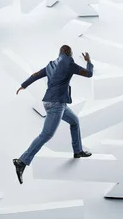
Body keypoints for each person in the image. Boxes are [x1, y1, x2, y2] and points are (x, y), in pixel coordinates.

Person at [12, 45, 93, 184]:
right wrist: (88, 61)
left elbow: (36, 75)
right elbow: (89, 73)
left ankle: (78, 150)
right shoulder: (69, 64)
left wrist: (23, 85)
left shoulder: (51, 64)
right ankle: (22, 161)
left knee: (74, 121)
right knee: (46, 135)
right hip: (57, 105)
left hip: (52, 103)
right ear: (70, 53)